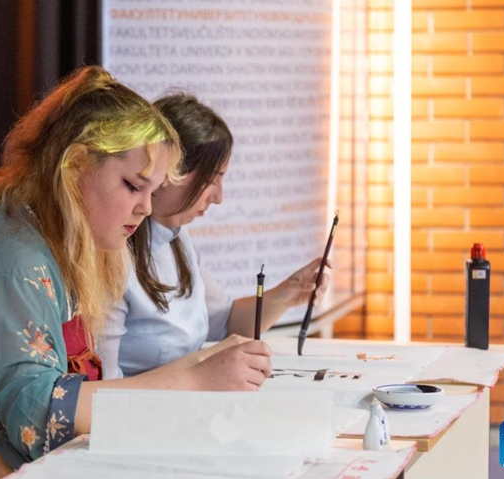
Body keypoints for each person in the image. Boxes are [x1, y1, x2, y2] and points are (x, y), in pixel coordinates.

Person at [0, 68, 273, 479]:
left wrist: (195, 368)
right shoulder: (3, 254)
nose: (145, 208)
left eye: (153, 191)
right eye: (134, 186)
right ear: (74, 166)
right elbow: (34, 412)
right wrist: (191, 381)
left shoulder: (47, 238)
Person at [98, 93, 330, 379]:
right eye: (212, 180)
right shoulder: (111, 253)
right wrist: (203, 365)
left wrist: (291, 291)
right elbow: (103, 389)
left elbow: (225, 322)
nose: (218, 197)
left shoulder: (178, 239)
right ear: (169, 172)